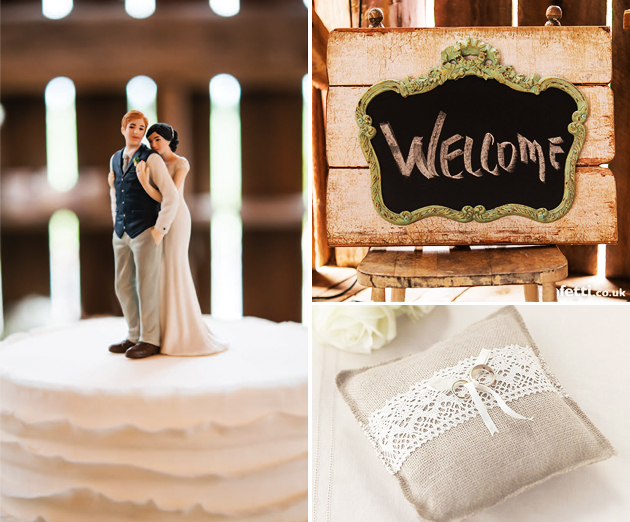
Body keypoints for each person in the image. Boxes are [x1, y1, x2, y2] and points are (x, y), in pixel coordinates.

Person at [134, 122, 228, 356]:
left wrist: (146, 184)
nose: (154, 144)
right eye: (151, 140)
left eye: (158, 139)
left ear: (168, 139)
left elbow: (171, 196)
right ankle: (163, 330)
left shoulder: (180, 163)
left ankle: (182, 331)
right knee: (161, 268)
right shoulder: (153, 163)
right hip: (158, 217)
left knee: (175, 266)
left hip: (176, 219)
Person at [107, 110, 179, 359]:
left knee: (147, 286)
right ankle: (133, 334)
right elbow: (115, 192)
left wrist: (160, 229)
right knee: (123, 285)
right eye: (132, 127)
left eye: (141, 128)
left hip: (145, 230)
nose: (137, 132)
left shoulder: (152, 159)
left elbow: (171, 196)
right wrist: (116, 220)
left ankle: (150, 339)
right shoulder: (115, 158)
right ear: (123, 129)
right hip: (121, 231)